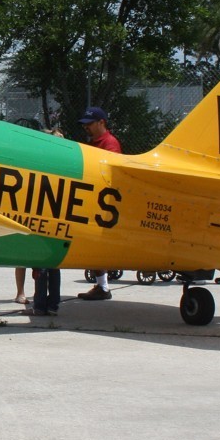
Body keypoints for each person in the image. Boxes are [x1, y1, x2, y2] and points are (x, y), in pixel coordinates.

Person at [76, 107, 122, 301]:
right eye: (85, 124)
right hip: (93, 198)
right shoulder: (93, 142)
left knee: (96, 244)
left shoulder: (110, 143)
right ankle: (102, 286)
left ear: (102, 123)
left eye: (90, 123)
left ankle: (103, 287)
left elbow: (108, 171)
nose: (86, 127)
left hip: (105, 202)